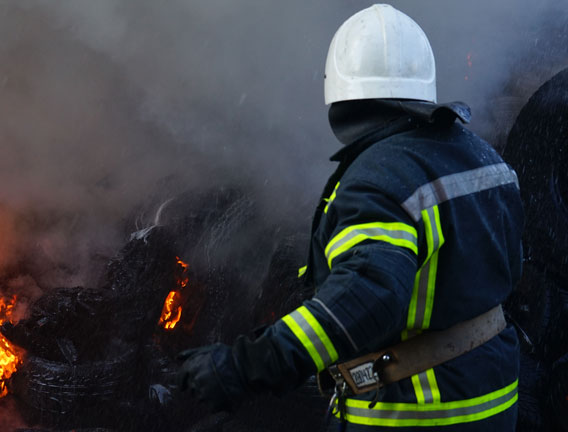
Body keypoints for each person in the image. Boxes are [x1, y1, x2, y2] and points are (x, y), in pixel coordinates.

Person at [177, 4, 523, 431]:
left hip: (416, 416)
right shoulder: (479, 156)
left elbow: (367, 295)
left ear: (338, 90)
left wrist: (244, 366)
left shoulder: (380, 179)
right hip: (492, 402)